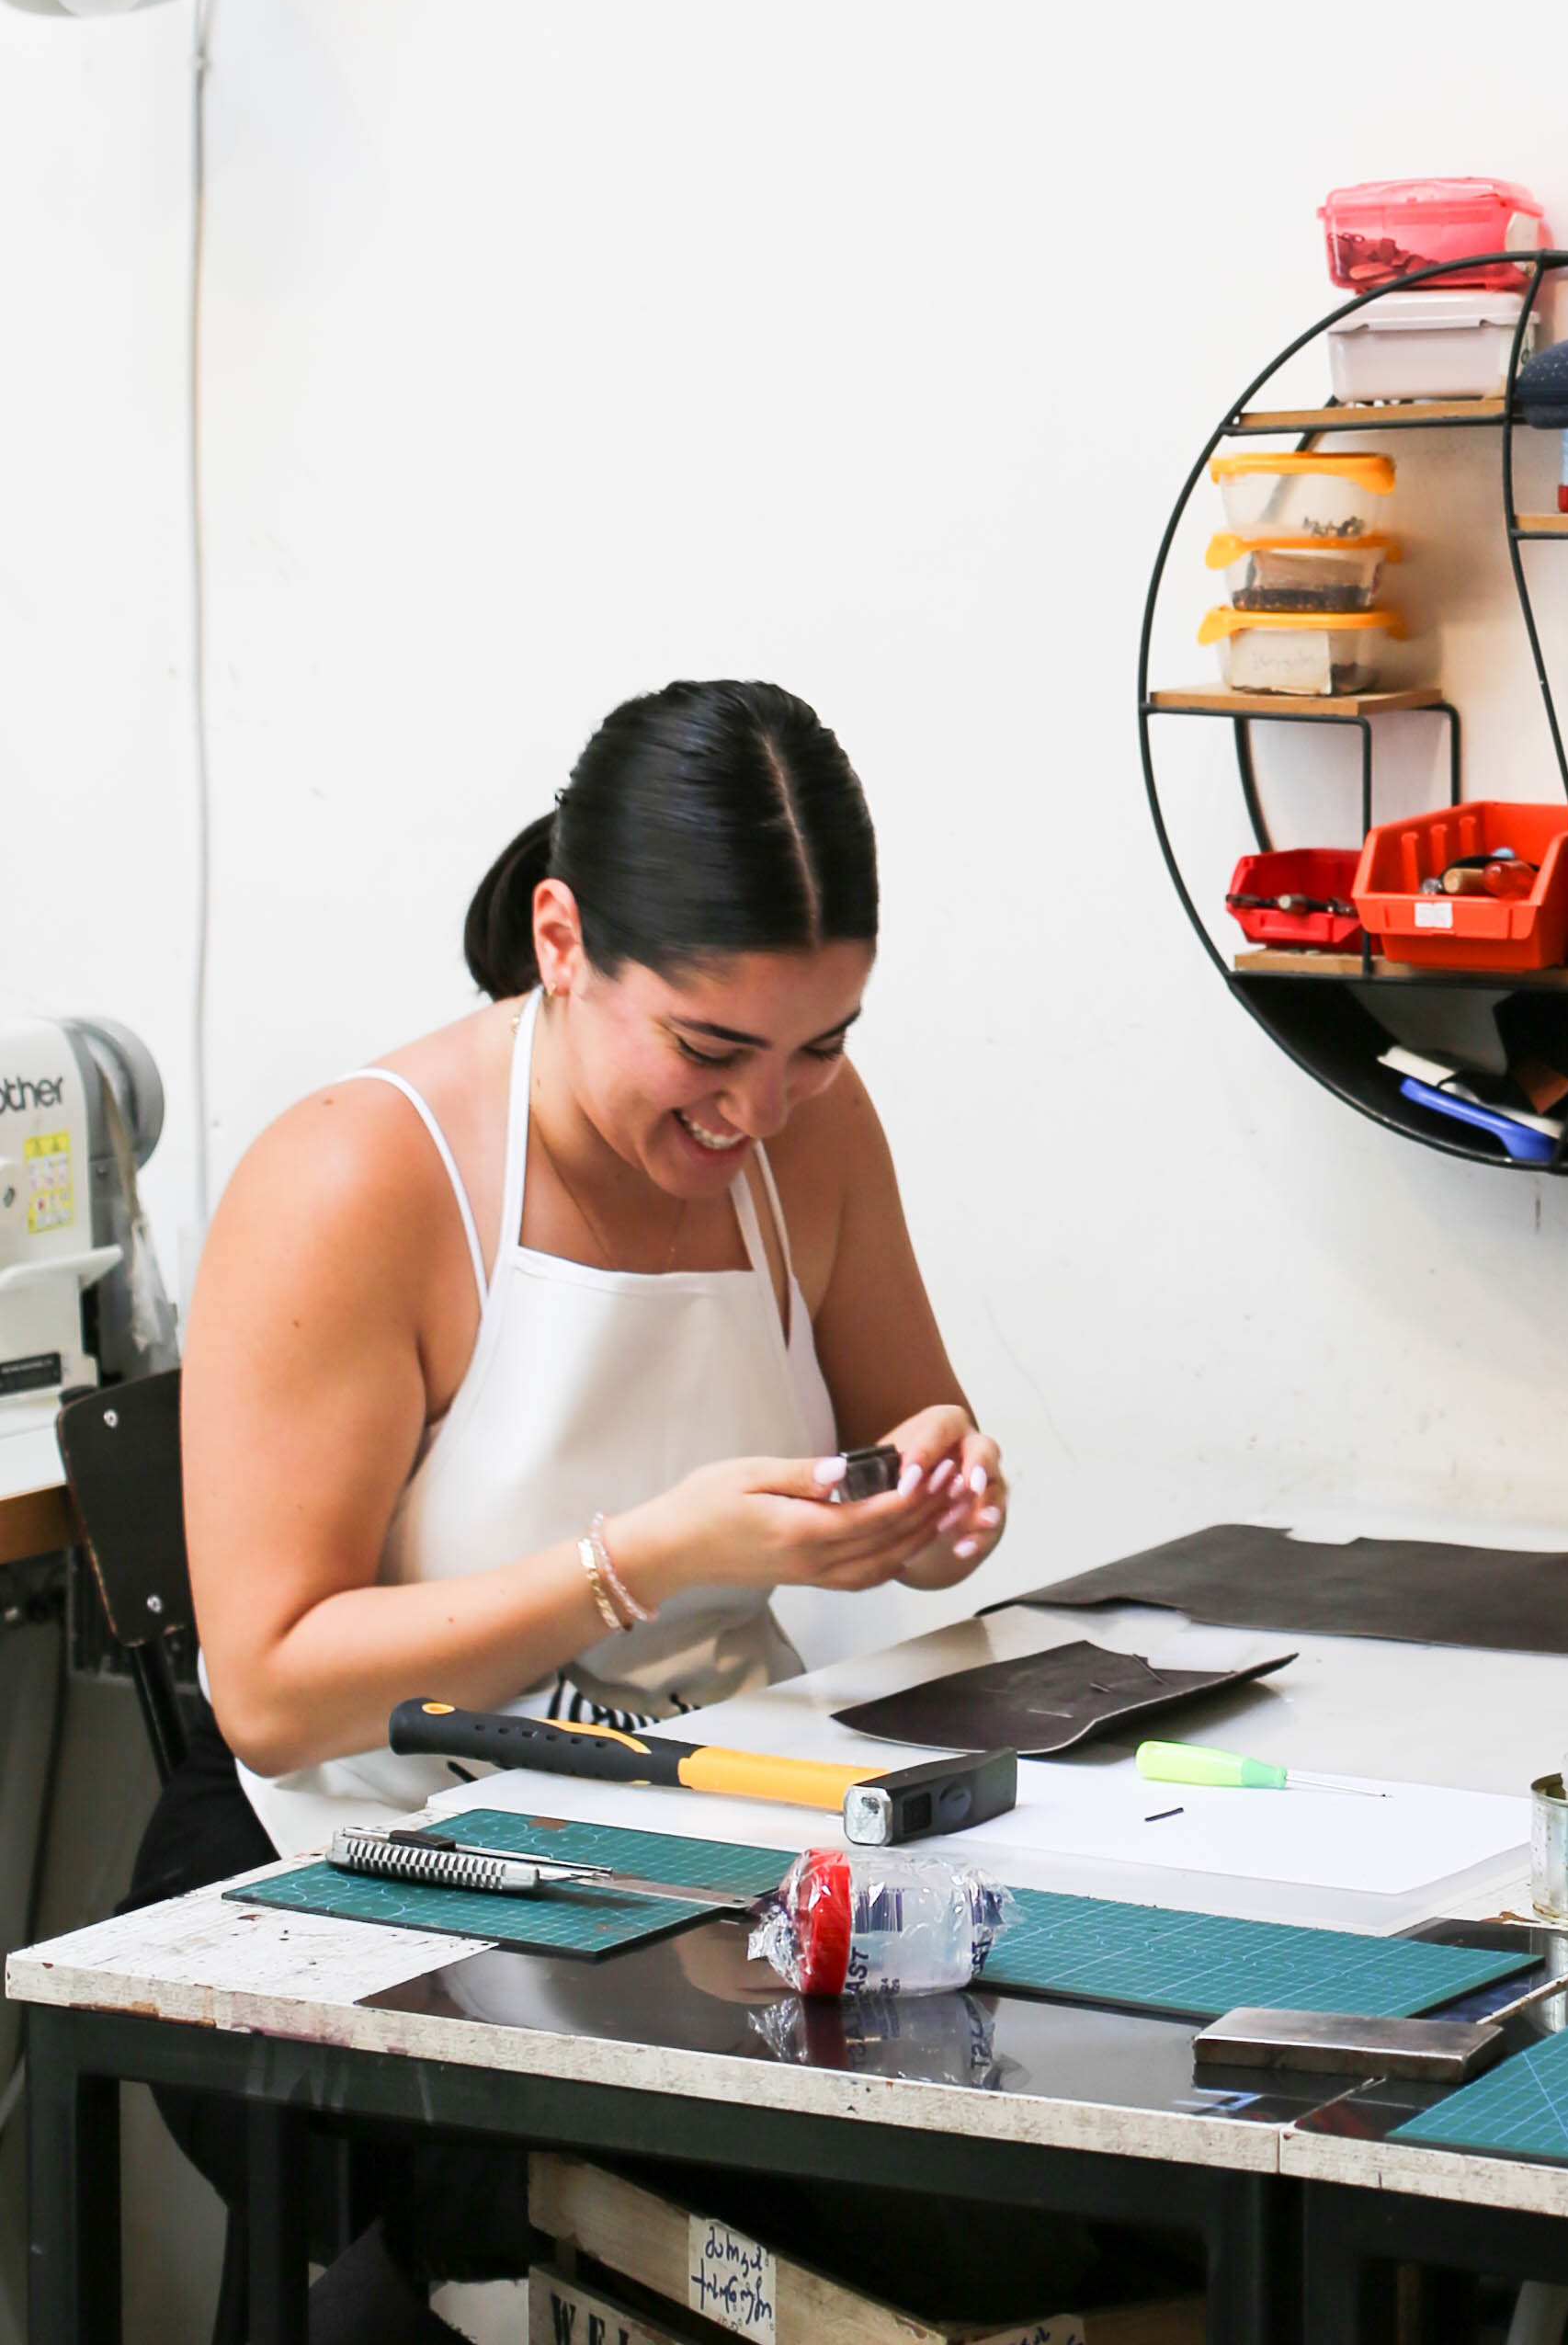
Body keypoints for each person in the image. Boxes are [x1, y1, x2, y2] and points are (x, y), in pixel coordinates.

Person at [158, 673, 1008, 1907]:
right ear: (560, 942)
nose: (758, 1112)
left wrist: (935, 1500)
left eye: (818, 1045)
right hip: (384, 1854)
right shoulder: (356, 1178)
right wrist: (645, 1557)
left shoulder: (811, 1135)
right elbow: (273, 1697)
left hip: (704, 1822)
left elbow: (922, 1484)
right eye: (705, 1049)